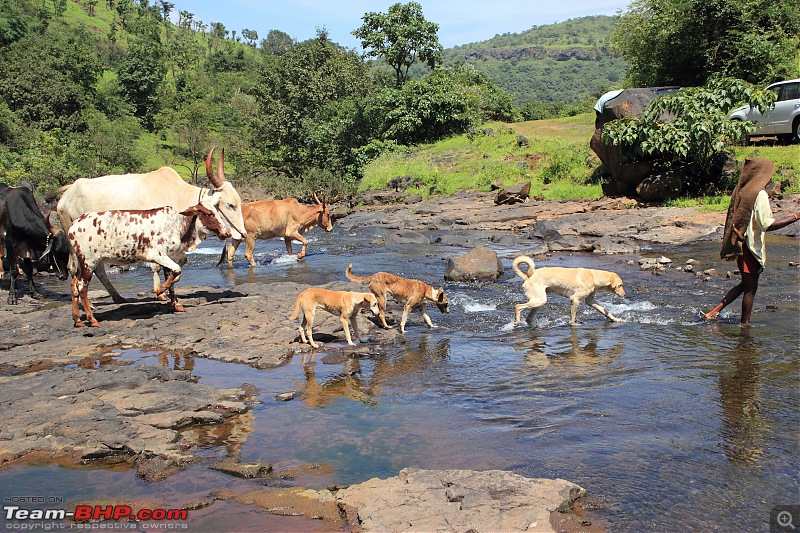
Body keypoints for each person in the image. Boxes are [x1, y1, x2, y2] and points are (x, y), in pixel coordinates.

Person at [705, 157, 800, 325]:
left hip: (741, 243)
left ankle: (712, 313)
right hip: (750, 247)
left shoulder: (741, 189)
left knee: (745, 284)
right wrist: (795, 217)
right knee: (750, 289)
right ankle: (745, 326)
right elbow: (766, 225)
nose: (770, 178)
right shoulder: (760, 194)